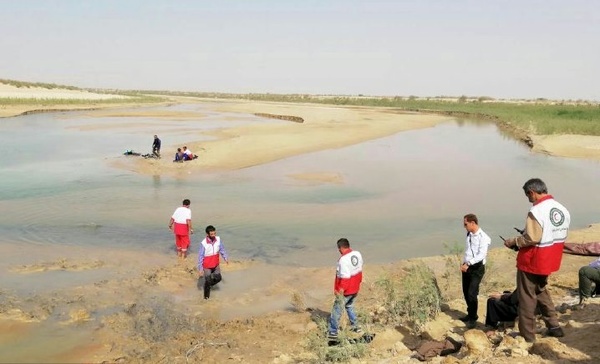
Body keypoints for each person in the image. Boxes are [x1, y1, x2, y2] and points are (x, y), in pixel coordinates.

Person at [504, 178, 570, 342]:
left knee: (526, 297)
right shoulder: (561, 208)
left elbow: (532, 237)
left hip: (533, 259)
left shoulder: (537, 210)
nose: (528, 199)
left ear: (532, 192)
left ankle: (527, 336)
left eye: (528, 195)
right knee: (540, 291)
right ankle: (554, 326)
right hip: (551, 258)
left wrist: (515, 241)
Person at [459, 213, 491, 329]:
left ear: (473, 223)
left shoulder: (483, 237)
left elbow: (481, 255)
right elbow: (468, 250)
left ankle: (473, 319)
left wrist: (468, 263)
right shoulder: (469, 234)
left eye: (465, 224)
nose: (464, 226)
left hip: (476, 268)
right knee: (466, 292)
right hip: (466, 266)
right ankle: (470, 313)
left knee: (472, 293)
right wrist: (464, 263)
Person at [328, 238, 364, 340]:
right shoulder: (357, 254)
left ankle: (332, 332)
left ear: (340, 248)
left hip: (346, 291)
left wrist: (340, 292)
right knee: (349, 306)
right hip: (355, 287)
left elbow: (345, 278)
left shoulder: (343, 260)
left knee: (336, 311)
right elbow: (360, 268)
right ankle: (356, 326)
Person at [198, 225, 229, 300]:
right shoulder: (203, 243)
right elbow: (200, 256)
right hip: (207, 266)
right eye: (212, 234)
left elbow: (222, 249)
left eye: (214, 233)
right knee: (208, 281)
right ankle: (206, 298)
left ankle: (208, 285)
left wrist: (225, 257)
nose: (214, 235)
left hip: (216, 265)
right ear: (207, 234)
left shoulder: (218, 240)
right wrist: (200, 269)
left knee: (218, 278)